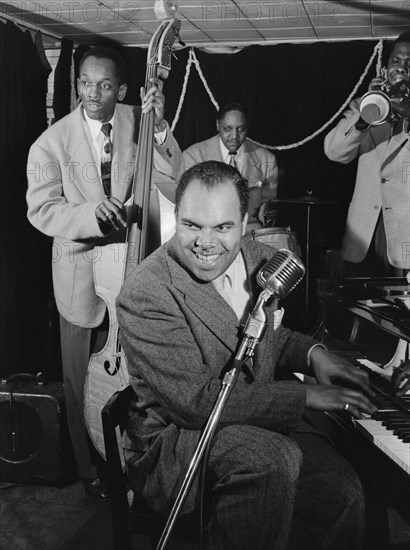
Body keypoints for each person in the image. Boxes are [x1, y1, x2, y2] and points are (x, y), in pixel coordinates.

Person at [116, 160, 377, 550]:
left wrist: (314, 354)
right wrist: (304, 395)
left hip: (252, 421)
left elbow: (264, 338)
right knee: (271, 460)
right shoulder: (146, 292)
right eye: (192, 225)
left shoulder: (258, 259)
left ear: (244, 222)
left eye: (222, 227)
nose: (205, 243)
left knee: (342, 492)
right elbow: (195, 404)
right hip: (179, 440)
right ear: (176, 217)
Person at [26, 46, 183, 498]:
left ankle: (136, 460)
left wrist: (162, 132)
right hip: (80, 278)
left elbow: (174, 178)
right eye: (85, 83)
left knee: (136, 381)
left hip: (134, 269)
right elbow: (43, 211)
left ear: (123, 89)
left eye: (105, 85)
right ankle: (89, 470)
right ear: (76, 84)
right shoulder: (50, 143)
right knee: (80, 381)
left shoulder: (142, 119)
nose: (93, 94)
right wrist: (93, 215)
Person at [324, 32, 410, 277]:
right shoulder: (366, 105)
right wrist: (366, 116)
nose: (401, 69)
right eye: (396, 61)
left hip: (405, 238)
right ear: (385, 68)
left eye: (409, 64)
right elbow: (334, 151)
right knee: (360, 312)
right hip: (363, 236)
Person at [183, 102, 279, 229]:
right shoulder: (193, 156)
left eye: (241, 129)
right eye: (228, 129)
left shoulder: (266, 159)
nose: (234, 136)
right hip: (206, 233)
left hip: (249, 233)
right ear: (218, 125)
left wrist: (267, 212)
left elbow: (267, 206)